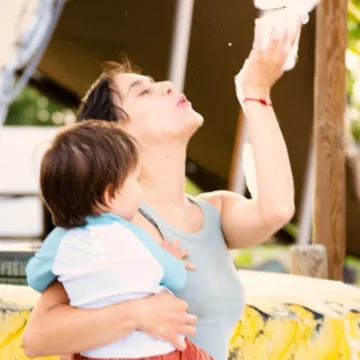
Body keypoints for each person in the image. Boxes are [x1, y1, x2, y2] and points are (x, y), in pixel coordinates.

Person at [23, 17, 298, 360]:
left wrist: (255, 94)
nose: (168, 85)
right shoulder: (108, 221)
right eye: (144, 91)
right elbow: (38, 338)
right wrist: (136, 315)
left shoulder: (215, 211)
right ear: (116, 131)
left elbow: (277, 209)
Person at [27, 120, 212, 360]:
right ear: (111, 194)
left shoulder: (60, 242)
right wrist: (169, 259)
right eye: (135, 180)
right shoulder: (129, 233)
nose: (140, 190)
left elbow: (35, 276)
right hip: (160, 350)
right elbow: (176, 277)